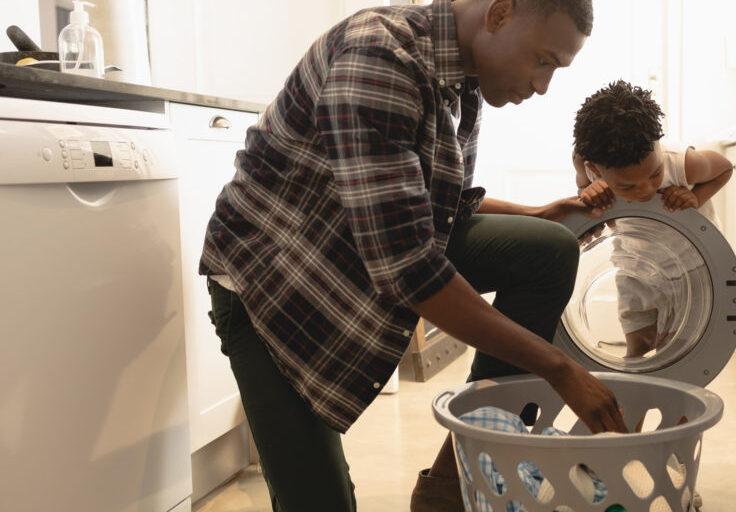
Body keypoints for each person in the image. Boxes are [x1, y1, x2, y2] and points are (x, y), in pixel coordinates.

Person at [199, 1, 628, 511]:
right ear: (499, 14)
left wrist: (540, 213)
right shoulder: (379, 57)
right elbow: (407, 268)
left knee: (548, 251)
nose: (542, 86)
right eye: (543, 60)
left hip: (356, 253)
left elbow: (435, 207)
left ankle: (451, 485)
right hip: (277, 285)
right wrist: (560, 369)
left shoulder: (463, 78)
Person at [571, 80, 734, 358]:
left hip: (689, 269)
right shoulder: (587, 167)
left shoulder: (680, 163)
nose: (646, 190)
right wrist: (587, 191)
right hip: (633, 265)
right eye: (628, 187)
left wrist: (697, 198)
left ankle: (673, 398)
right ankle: (632, 397)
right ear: (594, 169)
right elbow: (583, 188)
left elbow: (724, 168)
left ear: (658, 145)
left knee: (674, 351)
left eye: (654, 175)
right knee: (637, 343)